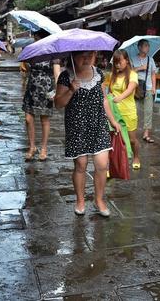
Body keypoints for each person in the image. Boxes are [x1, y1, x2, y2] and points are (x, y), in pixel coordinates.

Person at [54, 51, 122, 217]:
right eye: (82, 56)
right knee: (81, 165)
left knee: (102, 165)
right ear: (73, 56)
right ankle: (80, 200)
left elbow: (104, 99)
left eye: (90, 55)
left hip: (98, 125)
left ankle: (99, 200)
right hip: (77, 128)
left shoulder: (98, 73)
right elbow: (58, 103)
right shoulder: (66, 76)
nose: (86, 59)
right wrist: (71, 89)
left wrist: (112, 120)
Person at [21, 30, 60, 161]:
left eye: (37, 38)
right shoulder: (33, 51)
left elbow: (57, 73)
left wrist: (58, 90)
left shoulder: (52, 52)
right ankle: (32, 147)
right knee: (28, 118)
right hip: (32, 88)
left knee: (44, 119)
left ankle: (43, 148)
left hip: (46, 90)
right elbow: (27, 66)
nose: (35, 41)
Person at [107, 49, 141, 169]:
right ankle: (113, 164)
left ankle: (136, 157)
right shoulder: (111, 76)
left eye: (119, 61)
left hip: (128, 112)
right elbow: (107, 89)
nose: (117, 64)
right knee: (114, 140)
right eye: (115, 62)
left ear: (126, 60)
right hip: (114, 113)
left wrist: (120, 97)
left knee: (132, 140)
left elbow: (130, 89)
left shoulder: (132, 74)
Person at [131, 40, 157, 143]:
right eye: (146, 46)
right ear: (140, 47)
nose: (148, 48)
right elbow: (129, 71)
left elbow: (153, 74)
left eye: (148, 46)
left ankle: (146, 134)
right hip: (136, 88)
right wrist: (140, 68)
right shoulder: (133, 59)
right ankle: (133, 133)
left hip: (149, 88)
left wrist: (154, 87)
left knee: (148, 111)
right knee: (134, 111)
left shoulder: (151, 60)